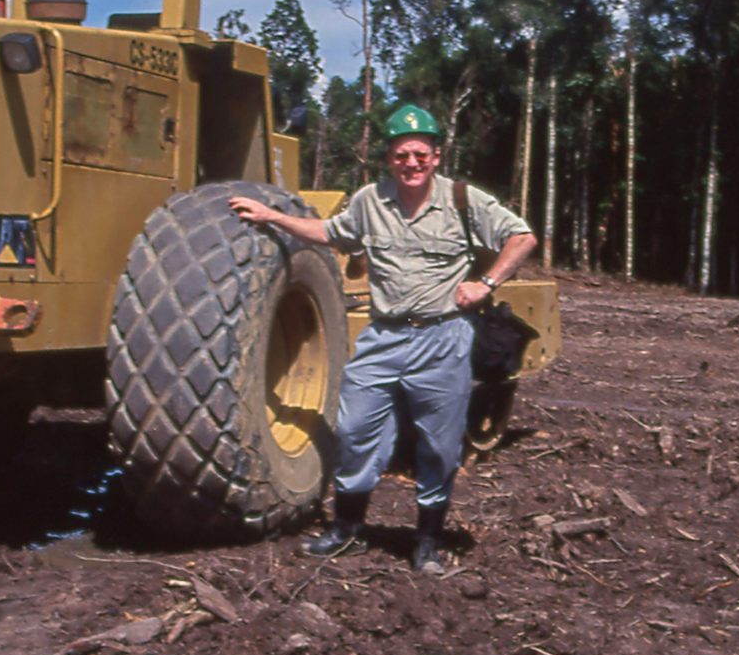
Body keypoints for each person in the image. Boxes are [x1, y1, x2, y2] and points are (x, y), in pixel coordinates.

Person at [229, 104, 537, 574]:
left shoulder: (461, 199)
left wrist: (487, 284)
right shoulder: (371, 200)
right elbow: (331, 233)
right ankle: (346, 531)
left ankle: (427, 541)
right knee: (354, 432)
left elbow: (522, 237)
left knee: (439, 445)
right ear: (389, 159)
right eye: (400, 155)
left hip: (442, 338)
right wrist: (273, 216)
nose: (410, 163)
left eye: (419, 154)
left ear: (435, 156)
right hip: (382, 339)